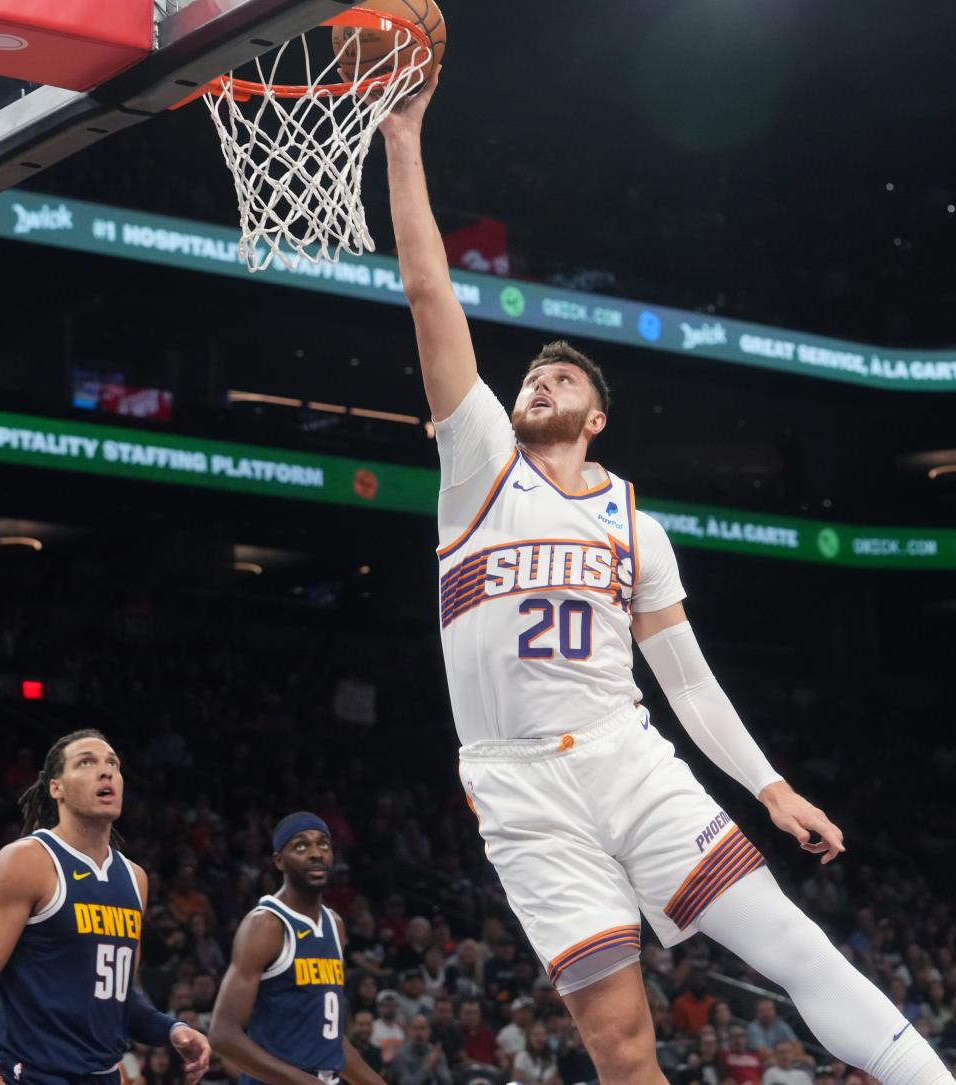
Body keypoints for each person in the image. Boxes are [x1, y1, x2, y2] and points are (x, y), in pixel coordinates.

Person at [379, 71, 955, 1085]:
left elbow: (685, 680)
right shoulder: (475, 463)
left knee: (791, 943)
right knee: (620, 1045)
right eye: (532, 376)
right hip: (516, 785)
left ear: (596, 416)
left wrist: (770, 788)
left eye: (561, 379)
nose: (537, 382)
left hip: (624, 756)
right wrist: (401, 138)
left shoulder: (634, 525)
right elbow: (430, 290)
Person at [0, 729, 210, 1085]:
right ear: (56, 788)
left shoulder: (134, 878)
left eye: (113, 763)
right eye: (86, 762)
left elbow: (117, 995)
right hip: (32, 1075)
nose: (106, 771)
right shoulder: (27, 862)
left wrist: (172, 1030)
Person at [208, 811, 386, 1085]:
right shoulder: (266, 924)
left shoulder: (334, 924)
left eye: (323, 844)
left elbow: (328, 1038)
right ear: (279, 861)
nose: (316, 853)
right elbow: (222, 1035)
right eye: (301, 846)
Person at [389, 1016, 452, 1085]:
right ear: (409, 1031)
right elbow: (406, 1083)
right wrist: (428, 1065)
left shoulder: (436, 1054)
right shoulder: (400, 1056)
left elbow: (447, 1082)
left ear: (429, 1031)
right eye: (415, 1028)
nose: (419, 1033)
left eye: (423, 1028)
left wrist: (436, 1066)